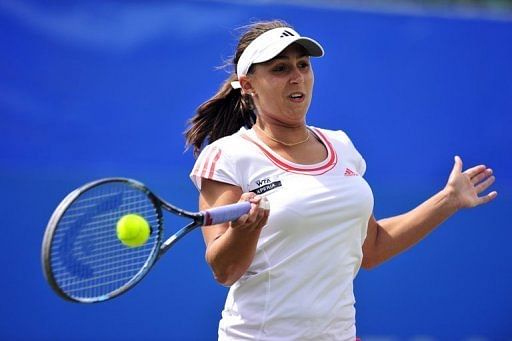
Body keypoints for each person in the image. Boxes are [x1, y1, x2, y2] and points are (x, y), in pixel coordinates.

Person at [185, 20, 497, 341]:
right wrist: (243, 232)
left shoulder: (341, 146)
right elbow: (224, 271)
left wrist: (449, 199)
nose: (297, 77)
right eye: (280, 69)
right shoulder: (228, 155)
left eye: (303, 65)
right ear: (248, 85)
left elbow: (372, 248)